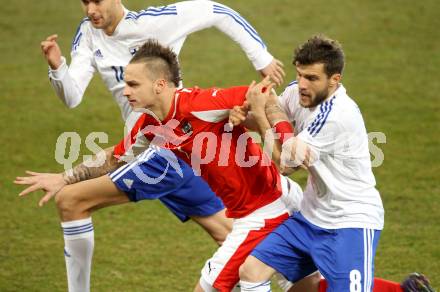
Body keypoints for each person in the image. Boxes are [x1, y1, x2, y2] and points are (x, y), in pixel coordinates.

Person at [116, 39, 304, 292]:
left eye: (132, 84)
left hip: (265, 210)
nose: (125, 91)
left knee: (210, 287)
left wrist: (286, 139)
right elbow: (114, 157)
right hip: (277, 199)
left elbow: (264, 94)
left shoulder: (198, 105)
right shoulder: (149, 125)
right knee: (305, 285)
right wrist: (64, 178)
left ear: (159, 85)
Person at [233, 35, 385, 291]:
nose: (302, 84)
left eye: (312, 78)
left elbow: (286, 165)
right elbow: (275, 116)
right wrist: (244, 116)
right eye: (300, 74)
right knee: (252, 271)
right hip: (311, 216)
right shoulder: (298, 91)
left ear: (335, 80)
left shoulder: (337, 116)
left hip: (350, 224)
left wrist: (261, 113)